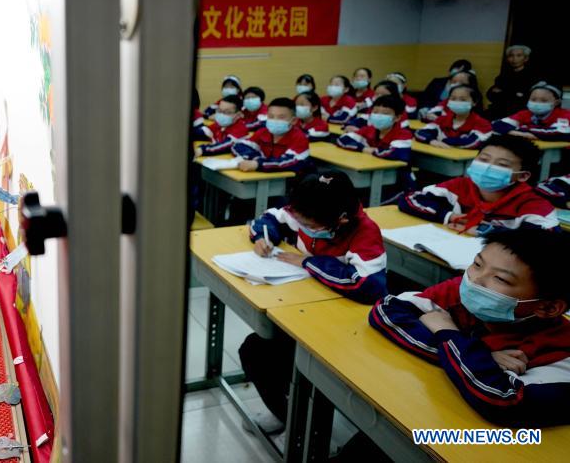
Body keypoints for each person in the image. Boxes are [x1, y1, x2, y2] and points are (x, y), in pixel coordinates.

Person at [369, 228, 570, 426]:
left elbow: (505, 402)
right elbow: (386, 311)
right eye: (477, 264)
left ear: (549, 307)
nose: (475, 280)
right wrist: (479, 356)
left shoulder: (561, 350)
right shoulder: (462, 294)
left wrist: (448, 335)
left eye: (500, 279)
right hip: (432, 411)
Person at [239, 172, 387, 432]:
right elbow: (271, 217)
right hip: (303, 307)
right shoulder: (309, 209)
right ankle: (286, 414)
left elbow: (369, 286)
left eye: (310, 225)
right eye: (299, 220)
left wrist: (310, 262)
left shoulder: (365, 232)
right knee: (253, 351)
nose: (302, 225)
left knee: (282, 360)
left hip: (343, 327)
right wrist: (264, 236)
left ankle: (304, 427)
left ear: (340, 219)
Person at [397, 135, 557, 234]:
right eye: (484, 159)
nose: (488, 167)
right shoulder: (462, 185)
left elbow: (546, 241)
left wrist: (484, 231)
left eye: (501, 164)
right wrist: (449, 216)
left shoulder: (533, 205)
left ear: (523, 176)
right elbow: (411, 199)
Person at [232, 97, 311, 173]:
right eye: (271, 116)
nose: (275, 120)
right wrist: (255, 158)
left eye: (281, 117)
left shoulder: (300, 138)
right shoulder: (263, 132)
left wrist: (258, 163)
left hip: (292, 182)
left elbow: (289, 162)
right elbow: (238, 145)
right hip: (264, 175)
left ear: (293, 120)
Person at [336, 95, 412, 162]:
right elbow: (342, 140)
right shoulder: (369, 130)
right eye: (375, 112)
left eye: (385, 113)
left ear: (397, 117)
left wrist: (367, 150)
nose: (379, 116)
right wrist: (364, 149)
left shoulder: (404, 134)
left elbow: (393, 153)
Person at [414, 84, 492, 149]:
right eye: (453, 98)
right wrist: (431, 140)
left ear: (474, 102)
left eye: (463, 100)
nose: (457, 102)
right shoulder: (442, 119)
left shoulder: (482, 123)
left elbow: (472, 143)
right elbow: (419, 133)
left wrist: (444, 140)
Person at [492, 81, 570, 142]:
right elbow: (497, 124)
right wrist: (521, 134)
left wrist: (522, 129)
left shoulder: (565, 115)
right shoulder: (525, 113)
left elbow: (557, 133)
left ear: (556, 102)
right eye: (533, 99)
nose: (537, 103)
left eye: (544, 100)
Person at [486, 45, 539, 120]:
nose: (514, 59)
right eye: (511, 56)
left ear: (526, 58)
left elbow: (525, 99)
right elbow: (490, 94)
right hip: (498, 111)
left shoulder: (532, 77)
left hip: (519, 113)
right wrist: (514, 94)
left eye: (519, 55)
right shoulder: (503, 75)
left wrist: (503, 92)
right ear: (507, 59)